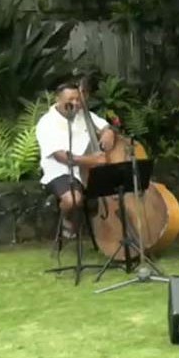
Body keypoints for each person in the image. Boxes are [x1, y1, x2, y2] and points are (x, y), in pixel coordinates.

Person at [36, 81, 116, 239]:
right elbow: (61, 156)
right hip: (60, 170)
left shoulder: (84, 115)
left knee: (119, 186)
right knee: (72, 200)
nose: (76, 103)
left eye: (78, 99)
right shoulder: (46, 123)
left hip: (88, 169)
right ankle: (66, 218)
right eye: (70, 100)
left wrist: (108, 133)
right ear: (58, 99)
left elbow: (105, 127)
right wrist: (92, 160)